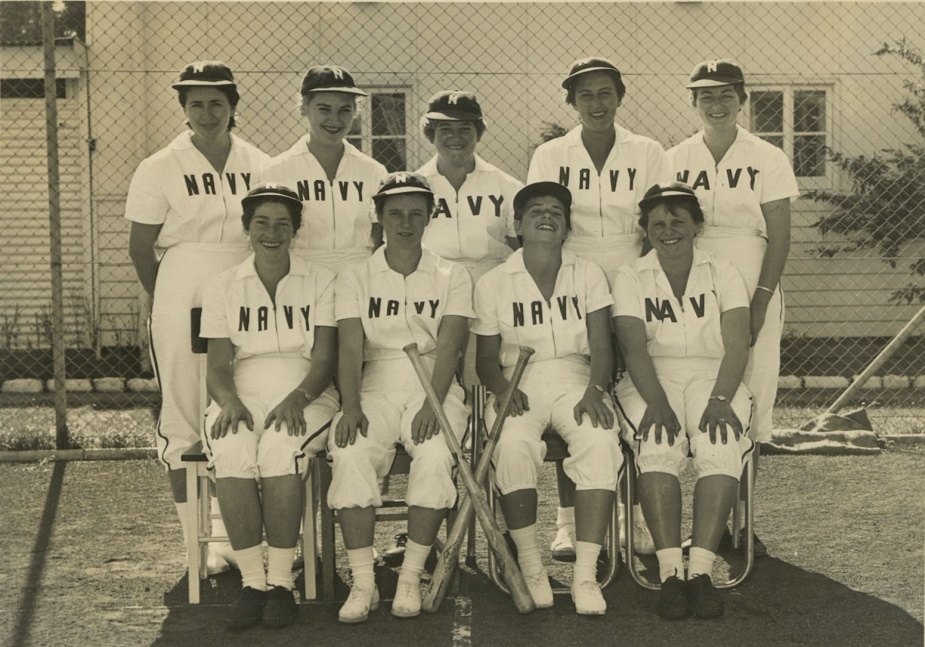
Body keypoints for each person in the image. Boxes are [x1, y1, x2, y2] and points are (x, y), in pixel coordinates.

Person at [125, 60, 270, 573]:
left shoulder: (260, 162)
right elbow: (141, 248)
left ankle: (243, 540)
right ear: (183, 109)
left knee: (244, 405)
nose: (207, 113)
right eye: (195, 104)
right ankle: (197, 545)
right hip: (182, 288)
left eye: (216, 102)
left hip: (247, 291)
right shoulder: (159, 165)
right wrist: (168, 298)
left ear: (233, 106)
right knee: (186, 418)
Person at [528, 56, 672, 560]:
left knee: (629, 395)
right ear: (571, 101)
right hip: (573, 280)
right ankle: (567, 523)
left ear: (619, 97)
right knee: (581, 397)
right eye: (585, 95)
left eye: (605, 93)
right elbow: (546, 223)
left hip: (632, 278)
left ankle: (631, 518)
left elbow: (658, 223)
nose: (596, 103)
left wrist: (644, 286)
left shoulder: (648, 151)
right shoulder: (550, 154)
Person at [327, 172, 473, 623]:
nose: (405, 223)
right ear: (379, 217)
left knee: (432, 455)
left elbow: (451, 345)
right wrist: (350, 407)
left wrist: (435, 402)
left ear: (431, 216)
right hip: (375, 383)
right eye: (395, 213)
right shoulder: (356, 275)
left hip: (434, 381)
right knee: (349, 452)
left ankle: (410, 574)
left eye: (415, 213)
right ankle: (364, 581)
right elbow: (350, 348)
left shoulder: (453, 273)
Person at [667, 59, 799, 556]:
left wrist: (762, 298)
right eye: (705, 96)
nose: (716, 104)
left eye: (725, 94)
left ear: (742, 99)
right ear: (693, 102)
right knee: (701, 384)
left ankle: (742, 522)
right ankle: (703, 521)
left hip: (751, 270)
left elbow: (780, 234)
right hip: (692, 273)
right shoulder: (674, 157)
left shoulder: (767, 156)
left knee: (753, 391)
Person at [473, 181, 622, 616]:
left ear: (567, 227)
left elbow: (602, 345)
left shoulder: (587, 272)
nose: (546, 217)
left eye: (556, 212)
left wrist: (597, 388)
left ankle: (586, 573)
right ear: (516, 225)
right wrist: (502, 390)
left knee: (599, 440)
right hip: (518, 380)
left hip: (577, 376)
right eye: (535, 210)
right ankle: (532, 566)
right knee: (513, 444)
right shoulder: (494, 281)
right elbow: (485, 360)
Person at [613, 182, 755, 619]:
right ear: (645, 230)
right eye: (657, 223)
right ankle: (671, 573)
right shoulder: (631, 275)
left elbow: (737, 346)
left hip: (716, 376)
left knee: (720, 441)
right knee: (657, 444)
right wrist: (656, 402)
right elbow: (634, 349)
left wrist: (720, 397)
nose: (668, 230)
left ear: (697, 225)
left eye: (678, 221)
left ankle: (702, 574)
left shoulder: (722, 270)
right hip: (653, 378)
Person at [200, 184, 340, 629]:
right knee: (233, 448)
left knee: (282, 449)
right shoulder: (223, 284)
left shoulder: (320, 280)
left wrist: (297, 398)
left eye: (283, 224)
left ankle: (281, 584)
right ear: (246, 229)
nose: (272, 232)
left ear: (296, 231)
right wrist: (229, 403)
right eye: (261, 222)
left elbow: (324, 359)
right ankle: (252, 583)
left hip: (306, 392)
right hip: (242, 391)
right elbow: (218, 365)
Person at [260, 64, 387, 274]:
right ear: (304, 108)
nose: (335, 120)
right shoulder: (277, 170)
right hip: (300, 272)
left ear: (356, 112)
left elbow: (379, 233)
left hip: (358, 272)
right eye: (324, 109)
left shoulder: (373, 171)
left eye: (345, 110)